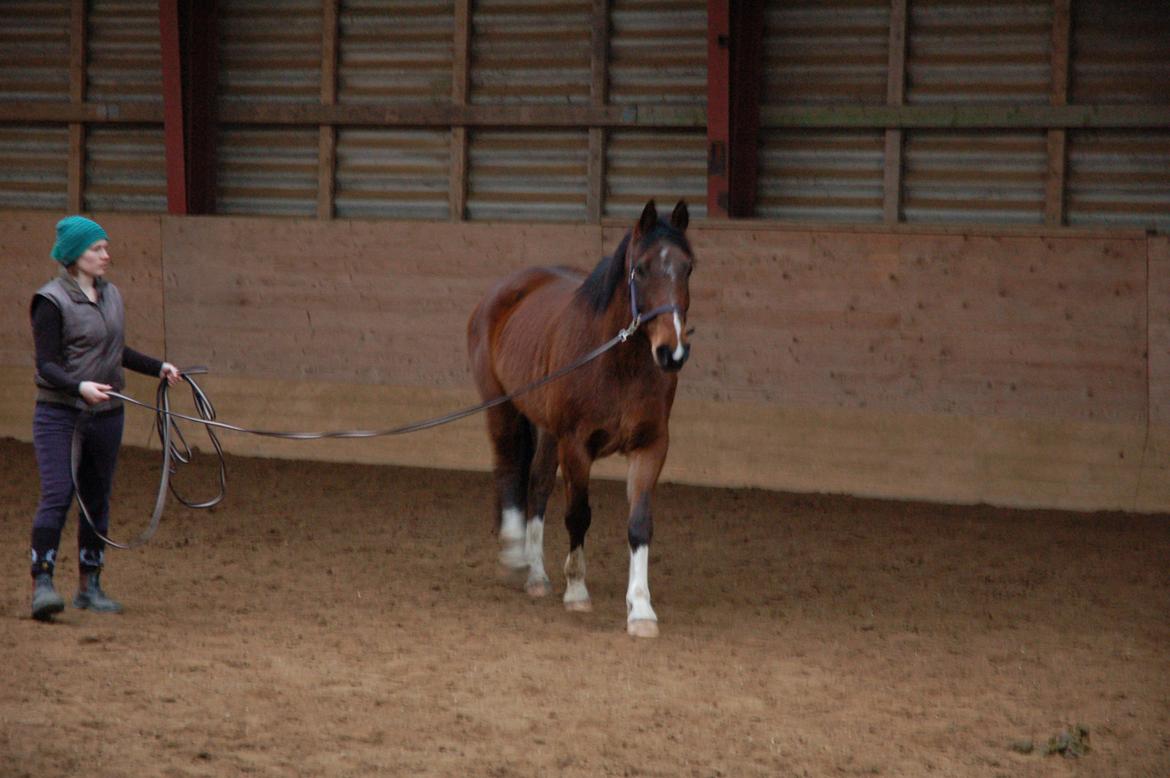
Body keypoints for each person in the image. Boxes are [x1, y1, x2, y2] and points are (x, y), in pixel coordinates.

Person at [28, 215, 181, 621]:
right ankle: (42, 581)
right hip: (60, 414)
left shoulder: (111, 296)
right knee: (59, 494)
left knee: (96, 499)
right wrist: (79, 387)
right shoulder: (50, 301)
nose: (105, 255)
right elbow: (47, 365)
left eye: (105, 248)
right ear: (74, 255)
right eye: (97, 249)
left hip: (107, 414)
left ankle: (89, 585)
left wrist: (158, 367)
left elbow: (116, 351)